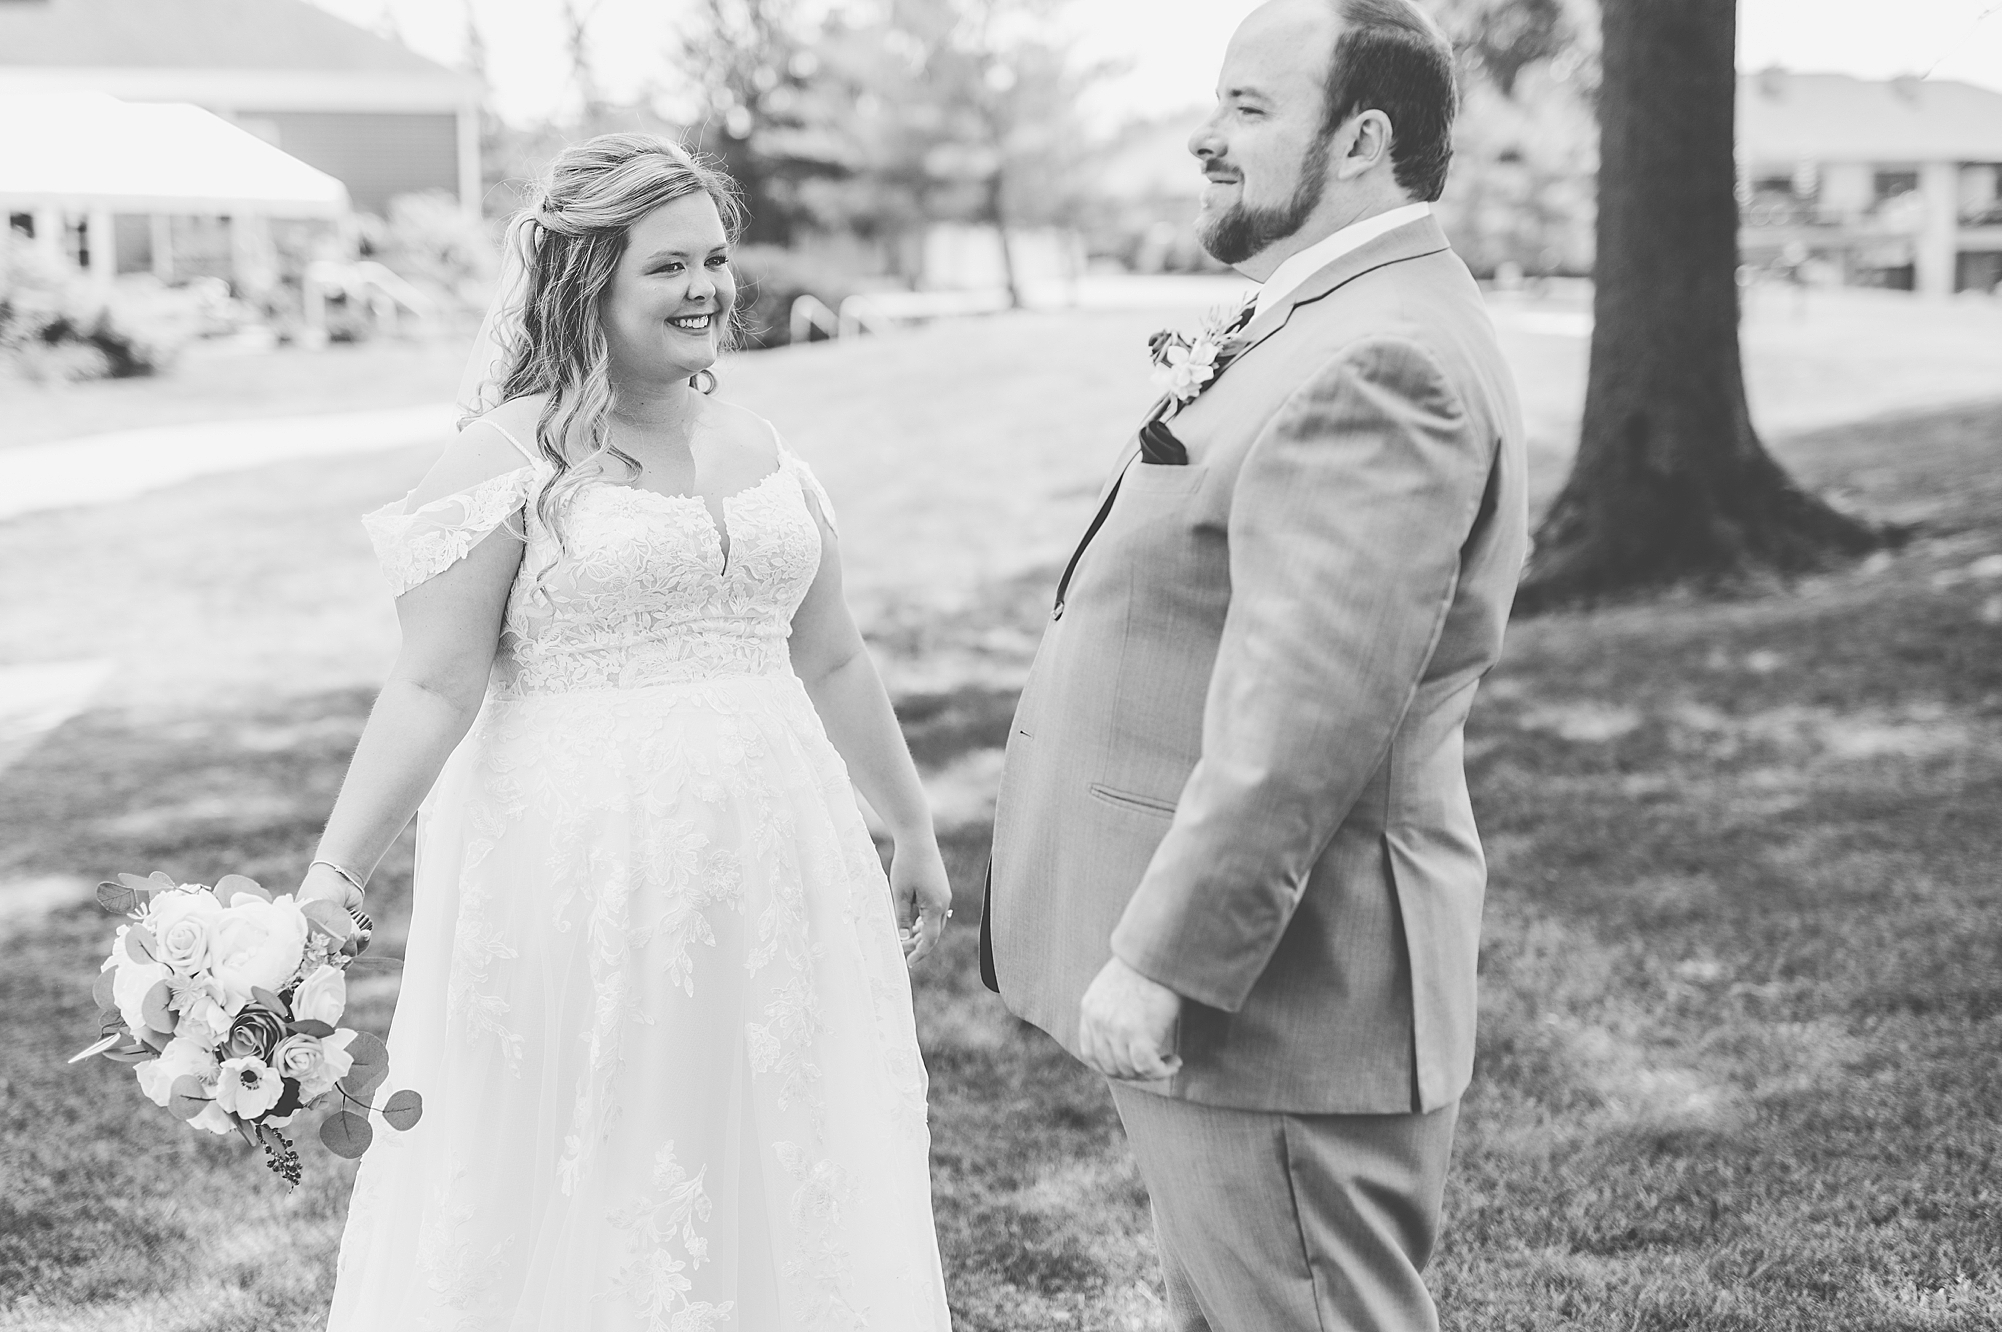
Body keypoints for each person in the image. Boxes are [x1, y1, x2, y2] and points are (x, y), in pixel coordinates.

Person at [304, 133, 954, 1331]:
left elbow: (832, 655)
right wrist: (337, 868)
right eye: (668, 266)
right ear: (587, 281)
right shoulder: (506, 457)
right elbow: (432, 686)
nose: (707, 288)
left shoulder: (762, 445)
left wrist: (908, 824)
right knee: (600, 1147)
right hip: (585, 883)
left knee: (774, 1139)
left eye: (715, 259)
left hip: (781, 873)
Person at [981, 1, 1529, 1329]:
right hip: (1256, 1005)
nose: (1203, 137)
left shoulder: (1382, 358)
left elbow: (1305, 715)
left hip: (1281, 999)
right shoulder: (1332, 314)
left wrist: (1164, 959)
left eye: (1247, 107)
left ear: (1360, 140)